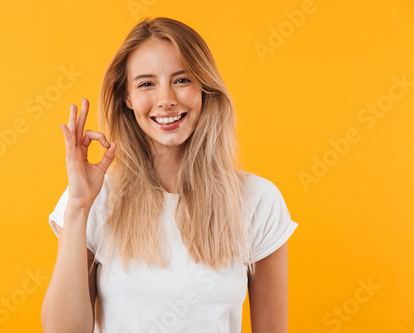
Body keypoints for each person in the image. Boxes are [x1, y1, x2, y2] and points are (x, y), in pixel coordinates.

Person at [41, 17, 298, 333]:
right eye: (146, 83)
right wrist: (78, 208)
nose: (166, 99)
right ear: (127, 98)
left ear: (204, 87)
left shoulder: (258, 200)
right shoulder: (94, 199)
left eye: (182, 80)